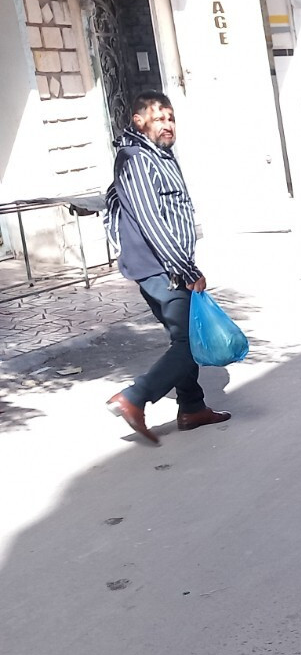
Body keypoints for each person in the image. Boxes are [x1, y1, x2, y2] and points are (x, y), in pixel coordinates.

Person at [103, 91, 230, 445]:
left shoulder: (158, 156)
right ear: (138, 121)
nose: (168, 125)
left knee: (182, 338)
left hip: (161, 265)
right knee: (190, 343)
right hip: (163, 268)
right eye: (159, 118)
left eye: (171, 118)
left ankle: (192, 407)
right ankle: (135, 397)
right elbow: (151, 222)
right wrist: (186, 269)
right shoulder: (137, 159)